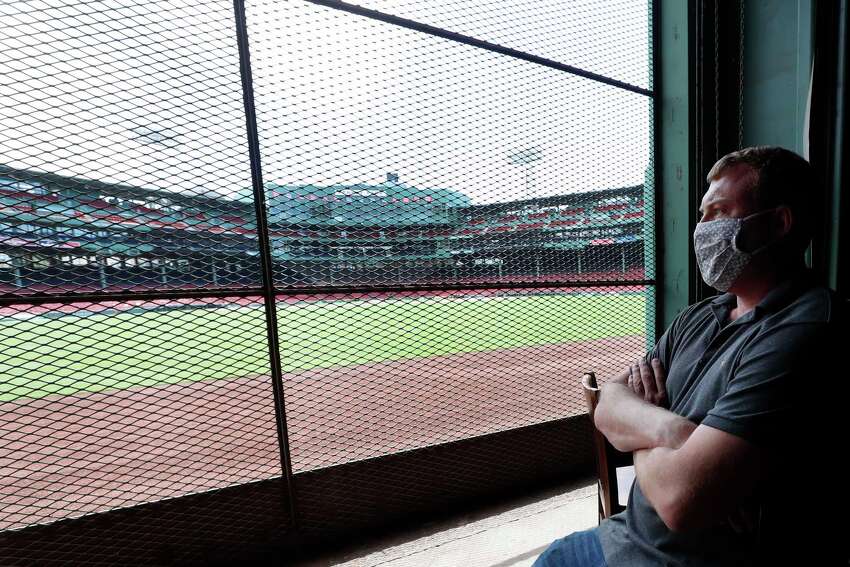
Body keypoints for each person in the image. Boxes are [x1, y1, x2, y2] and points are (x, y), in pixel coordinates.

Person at [534, 146, 846, 566]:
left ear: (778, 224)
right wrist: (677, 434)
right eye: (702, 215)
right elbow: (608, 404)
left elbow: (680, 501)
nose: (702, 229)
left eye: (718, 213)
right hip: (625, 538)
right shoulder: (700, 316)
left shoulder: (807, 329)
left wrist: (644, 424)